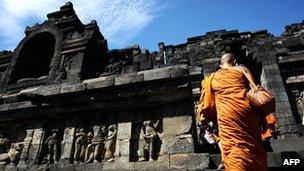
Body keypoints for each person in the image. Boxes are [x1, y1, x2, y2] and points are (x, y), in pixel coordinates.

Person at [197, 53, 268, 171]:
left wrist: (206, 120)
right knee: (252, 145)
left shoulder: (211, 78)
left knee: (233, 148)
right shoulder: (242, 69)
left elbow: (207, 103)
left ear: (220, 65)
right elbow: (254, 89)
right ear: (234, 61)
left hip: (227, 116)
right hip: (247, 112)